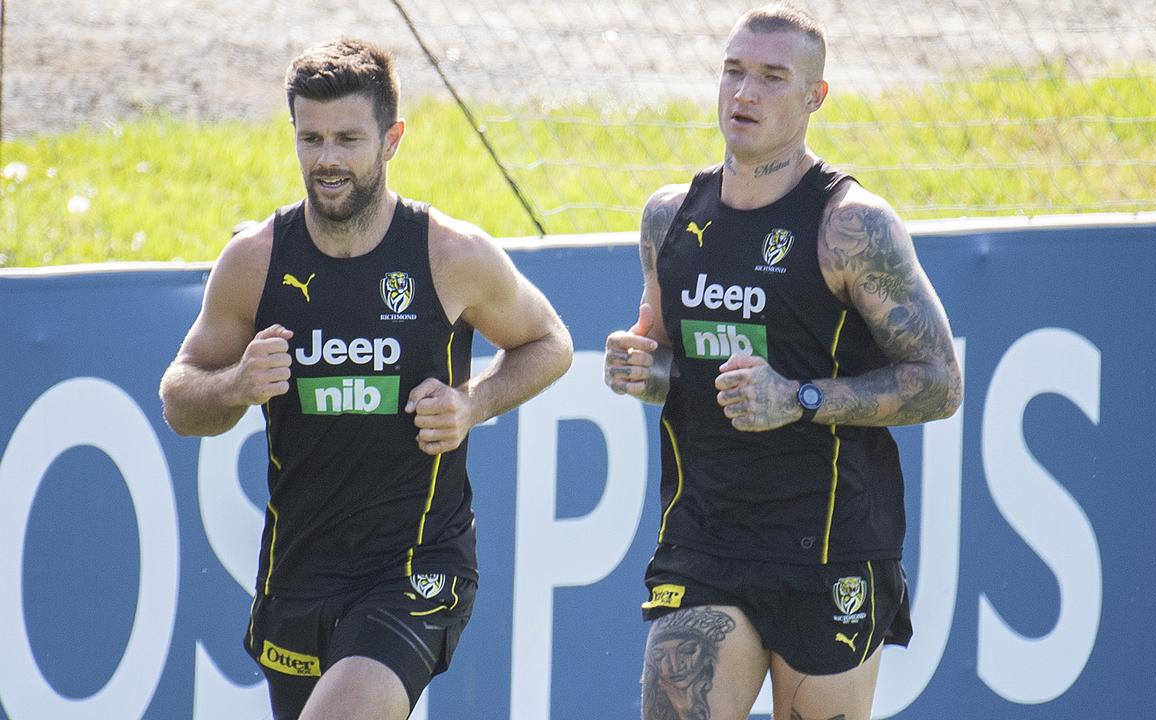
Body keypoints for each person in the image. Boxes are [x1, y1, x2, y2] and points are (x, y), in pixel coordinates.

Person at [160, 38, 572, 720]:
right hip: (298, 571)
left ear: (392, 140)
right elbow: (179, 399)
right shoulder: (255, 263)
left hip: (416, 565)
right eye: (311, 138)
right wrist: (235, 385)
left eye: (349, 138)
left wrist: (473, 404)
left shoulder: (449, 253)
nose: (327, 160)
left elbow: (549, 342)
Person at [603, 4, 962, 719]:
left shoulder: (850, 225)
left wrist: (797, 399)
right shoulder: (669, 218)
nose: (744, 94)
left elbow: (940, 384)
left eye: (772, 77)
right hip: (705, 537)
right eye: (734, 72)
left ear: (814, 97)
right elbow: (676, 364)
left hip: (826, 545)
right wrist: (644, 370)